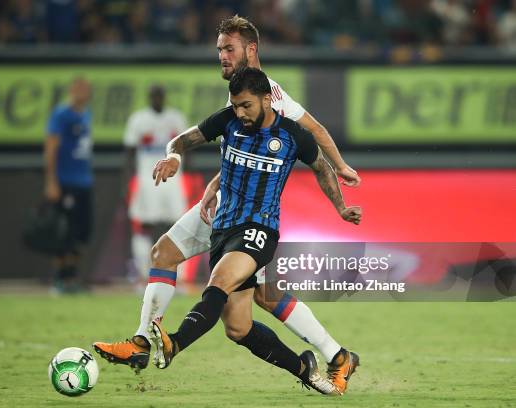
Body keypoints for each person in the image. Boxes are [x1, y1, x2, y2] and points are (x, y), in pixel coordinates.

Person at [94, 15, 360, 394]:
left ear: (251, 50)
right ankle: (141, 343)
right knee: (168, 256)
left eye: (228, 48)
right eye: (219, 48)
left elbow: (312, 133)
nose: (221, 55)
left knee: (255, 296)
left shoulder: (273, 96)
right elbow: (232, 144)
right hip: (224, 207)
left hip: (253, 214)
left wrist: (341, 168)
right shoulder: (237, 100)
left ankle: (334, 356)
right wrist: (213, 179)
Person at [148, 67, 362, 395]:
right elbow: (181, 140)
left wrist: (341, 207)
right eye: (235, 105)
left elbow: (322, 167)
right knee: (237, 327)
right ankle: (306, 369)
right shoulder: (227, 121)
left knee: (218, 282)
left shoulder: (292, 135)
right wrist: (174, 156)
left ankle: (174, 344)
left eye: (246, 105)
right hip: (222, 228)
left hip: (259, 229)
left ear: (266, 99)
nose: (240, 112)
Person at [123, 85, 188, 284]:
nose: (157, 98)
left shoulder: (176, 118)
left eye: (160, 95)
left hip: (173, 180)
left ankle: (181, 276)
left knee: (179, 225)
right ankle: (144, 274)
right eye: (154, 95)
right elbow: (129, 153)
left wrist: (189, 175)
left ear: (164, 97)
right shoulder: (138, 120)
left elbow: (187, 148)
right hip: (148, 179)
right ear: (149, 97)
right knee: (145, 225)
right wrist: (127, 182)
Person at [44, 77, 93, 294]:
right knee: (64, 231)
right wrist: (52, 181)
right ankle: (59, 279)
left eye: (86, 88)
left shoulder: (86, 114)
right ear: (71, 90)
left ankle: (72, 277)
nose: (83, 92)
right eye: (79, 88)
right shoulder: (61, 114)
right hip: (66, 182)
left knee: (82, 230)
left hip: (84, 181)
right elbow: (51, 147)